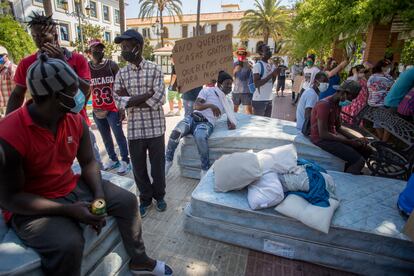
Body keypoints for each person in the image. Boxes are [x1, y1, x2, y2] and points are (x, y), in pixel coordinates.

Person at [0, 55, 173, 276]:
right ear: (54, 96)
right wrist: (67, 210)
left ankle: (139, 260)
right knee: (68, 244)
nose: (80, 95)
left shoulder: (74, 120)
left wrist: (99, 195)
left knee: (128, 201)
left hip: (69, 186)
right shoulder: (9, 135)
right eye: (73, 90)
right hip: (31, 204)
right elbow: (10, 199)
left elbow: (89, 161)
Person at [5, 12, 103, 167]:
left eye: (43, 36)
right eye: (35, 37)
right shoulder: (27, 63)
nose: (39, 41)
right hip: (43, 128)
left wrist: (62, 62)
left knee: (93, 164)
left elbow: (85, 90)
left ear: (55, 35)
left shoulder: (77, 59)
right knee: (52, 171)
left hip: (77, 122)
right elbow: (17, 94)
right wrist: (7, 124)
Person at [113, 30, 167, 218]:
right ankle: (145, 198)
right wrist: (145, 95)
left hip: (156, 128)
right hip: (135, 129)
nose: (123, 50)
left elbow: (160, 98)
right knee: (138, 167)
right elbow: (118, 100)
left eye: (126, 47)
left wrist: (131, 99)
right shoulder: (121, 73)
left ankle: (159, 196)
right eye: (122, 47)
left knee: (158, 166)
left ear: (138, 47)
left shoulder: (155, 69)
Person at [165, 71, 237, 179]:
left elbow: (230, 120)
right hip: (193, 118)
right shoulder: (207, 91)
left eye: (231, 84)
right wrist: (211, 106)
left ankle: (204, 168)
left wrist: (231, 124)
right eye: (227, 84)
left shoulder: (228, 102)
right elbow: (196, 106)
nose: (229, 87)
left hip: (206, 123)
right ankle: (168, 161)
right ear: (219, 84)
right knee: (176, 133)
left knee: (200, 137)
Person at [310, 80, 371, 175]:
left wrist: (357, 139)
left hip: (331, 136)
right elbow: (323, 134)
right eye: (351, 98)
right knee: (359, 161)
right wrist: (349, 142)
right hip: (321, 139)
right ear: (343, 93)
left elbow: (338, 127)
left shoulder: (337, 104)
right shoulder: (324, 105)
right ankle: (347, 181)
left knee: (366, 149)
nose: (350, 101)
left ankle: (348, 171)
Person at [88, 39, 131, 174]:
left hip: (113, 108)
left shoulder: (111, 65)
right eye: (95, 49)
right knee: (105, 137)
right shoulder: (87, 67)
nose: (99, 51)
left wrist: (122, 107)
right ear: (90, 52)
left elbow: (122, 85)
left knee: (119, 135)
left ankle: (125, 160)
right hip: (97, 109)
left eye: (101, 49)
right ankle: (113, 159)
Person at [367, 59, 394, 141]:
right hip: (384, 103)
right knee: (388, 123)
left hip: (374, 103)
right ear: (382, 67)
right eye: (388, 67)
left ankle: (380, 140)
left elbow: (369, 88)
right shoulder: (387, 78)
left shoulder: (372, 77)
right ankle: (383, 142)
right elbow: (392, 88)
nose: (390, 69)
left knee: (377, 122)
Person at [252, 44, 279, 117]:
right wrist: (272, 74)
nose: (269, 52)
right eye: (267, 50)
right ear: (261, 53)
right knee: (258, 125)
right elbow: (256, 84)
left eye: (269, 50)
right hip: (259, 100)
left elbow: (271, 83)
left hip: (269, 99)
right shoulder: (258, 66)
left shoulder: (270, 65)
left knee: (266, 125)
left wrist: (275, 75)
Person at [232, 47, 253, 114]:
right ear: (237, 55)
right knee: (234, 110)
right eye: (239, 53)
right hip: (236, 91)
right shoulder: (234, 64)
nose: (241, 55)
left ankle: (250, 123)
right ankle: (233, 123)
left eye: (243, 53)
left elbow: (253, 75)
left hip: (246, 91)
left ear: (245, 55)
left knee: (249, 111)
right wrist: (235, 71)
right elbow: (230, 78)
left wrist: (248, 66)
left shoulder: (249, 64)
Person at [0, 52, 16, 117]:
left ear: (6, 56)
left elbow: (18, 90)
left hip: (12, 109)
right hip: (2, 110)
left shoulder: (12, 68)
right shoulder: (1, 69)